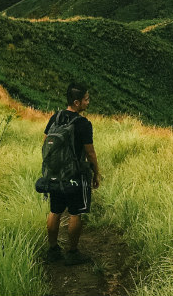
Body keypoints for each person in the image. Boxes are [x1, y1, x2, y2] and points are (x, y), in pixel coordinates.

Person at [44, 81, 101, 266]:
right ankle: (73, 252)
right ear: (76, 102)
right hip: (75, 175)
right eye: (86, 99)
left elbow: (45, 143)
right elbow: (90, 152)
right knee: (75, 213)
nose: (88, 102)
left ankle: (53, 250)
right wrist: (96, 173)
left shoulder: (56, 117)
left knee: (55, 210)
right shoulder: (83, 124)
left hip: (54, 173)